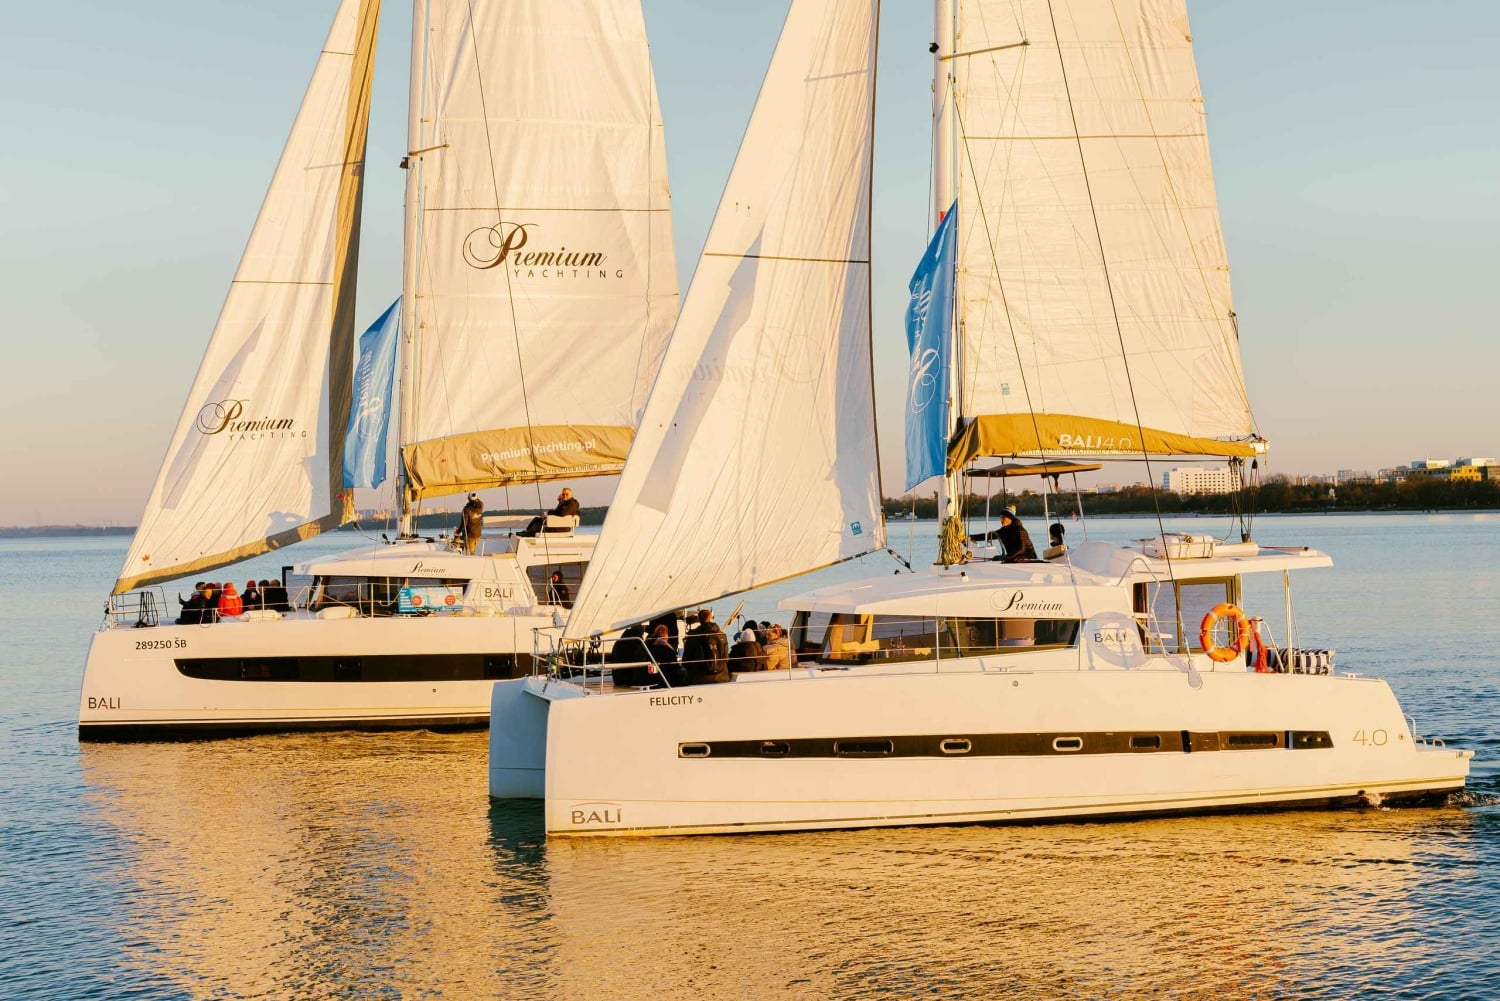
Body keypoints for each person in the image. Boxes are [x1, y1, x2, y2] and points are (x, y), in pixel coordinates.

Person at [681, 608, 730, 684]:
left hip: (699, 678)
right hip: (721, 677)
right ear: (711, 618)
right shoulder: (722, 635)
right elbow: (726, 658)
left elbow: (686, 661)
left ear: (699, 620)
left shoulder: (693, 636)